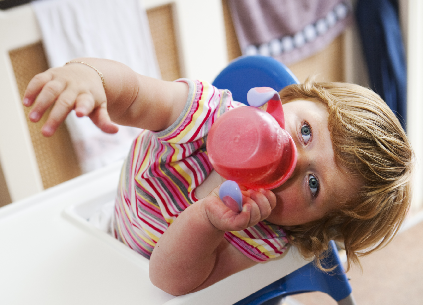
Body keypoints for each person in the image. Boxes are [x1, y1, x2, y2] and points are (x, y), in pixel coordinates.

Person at [23, 58, 414, 296]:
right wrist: (91, 77)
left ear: (312, 226)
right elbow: (135, 95)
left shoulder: (263, 237)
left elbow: (170, 281)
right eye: (306, 131)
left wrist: (208, 220)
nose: (293, 158)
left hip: (139, 283)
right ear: (288, 99)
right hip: (106, 229)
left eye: (314, 184)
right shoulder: (204, 114)